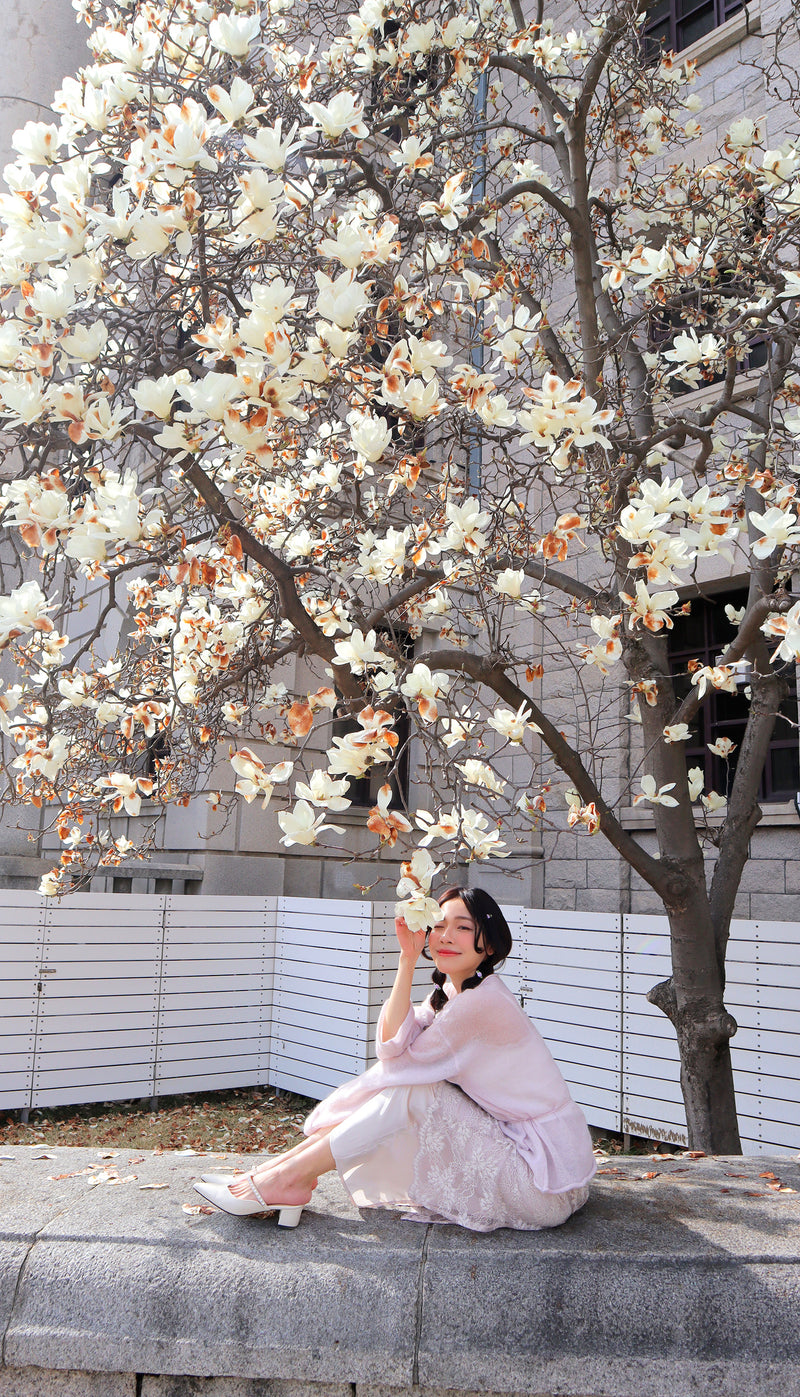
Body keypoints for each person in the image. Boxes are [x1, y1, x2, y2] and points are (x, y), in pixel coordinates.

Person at [193, 886, 596, 1230]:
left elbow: (399, 1069)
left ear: (487, 944)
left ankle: (285, 1180)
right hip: (538, 1163)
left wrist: (344, 1108)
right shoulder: (454, 995)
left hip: (543, 1181)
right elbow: (390, 1046)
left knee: (414, 1090)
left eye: (462, 927)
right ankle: (271, 1176)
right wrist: (406, 960)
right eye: (438, 925)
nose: (446, 936)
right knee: (411, 1086)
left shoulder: (482, 1004)